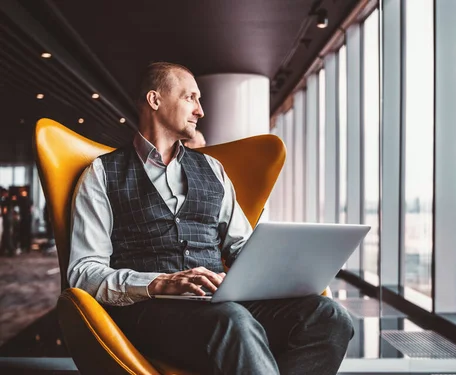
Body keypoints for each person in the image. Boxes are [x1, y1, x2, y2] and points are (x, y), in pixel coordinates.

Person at [68, 62, 353, 374]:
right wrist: (159, 283)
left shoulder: (213, 170)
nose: (200, 110)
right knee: (234, 322)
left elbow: (240, 246)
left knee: (329, 316)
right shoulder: (101, 174)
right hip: (147, 312)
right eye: (190, 98)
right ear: (154, 100)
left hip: (218, 303)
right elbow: (84, 273)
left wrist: (289, 266)